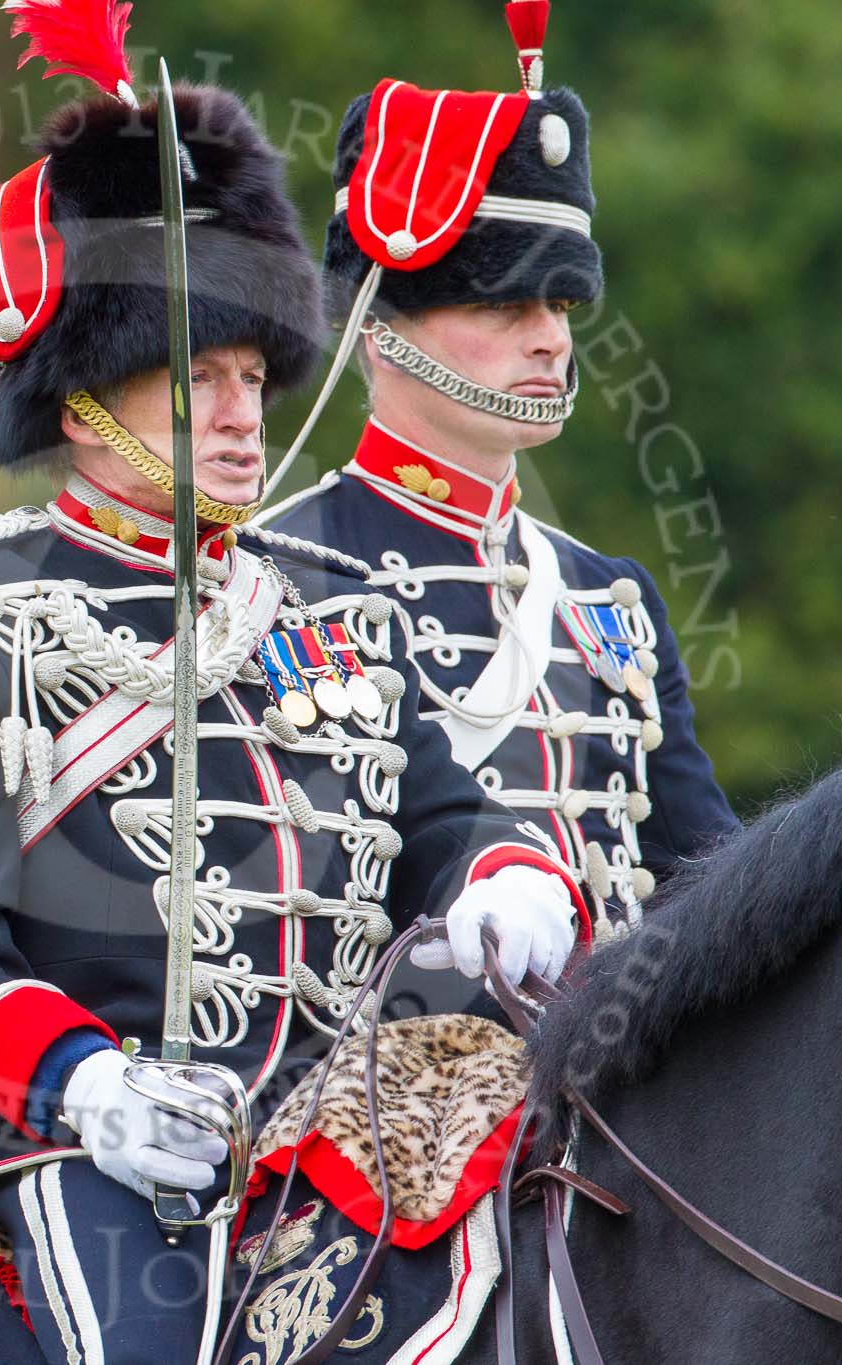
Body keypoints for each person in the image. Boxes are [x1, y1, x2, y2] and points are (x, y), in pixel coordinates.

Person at [0, 60, 588, 1365]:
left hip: (335, 1122)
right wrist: (92, 1083)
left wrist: (506, 876)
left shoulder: (311, 608)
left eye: (255, 375)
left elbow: (444, 814)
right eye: (201, 380)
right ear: (82, 402)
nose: (246, 418)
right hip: (79, 1135)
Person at [263, 1, 737, 928]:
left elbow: (712, 882)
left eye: (562, 305)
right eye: (505, 307)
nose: (552, 339)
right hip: (371, 1061)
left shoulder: (612, 603)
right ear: (377, 324)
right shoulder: (276, 577)